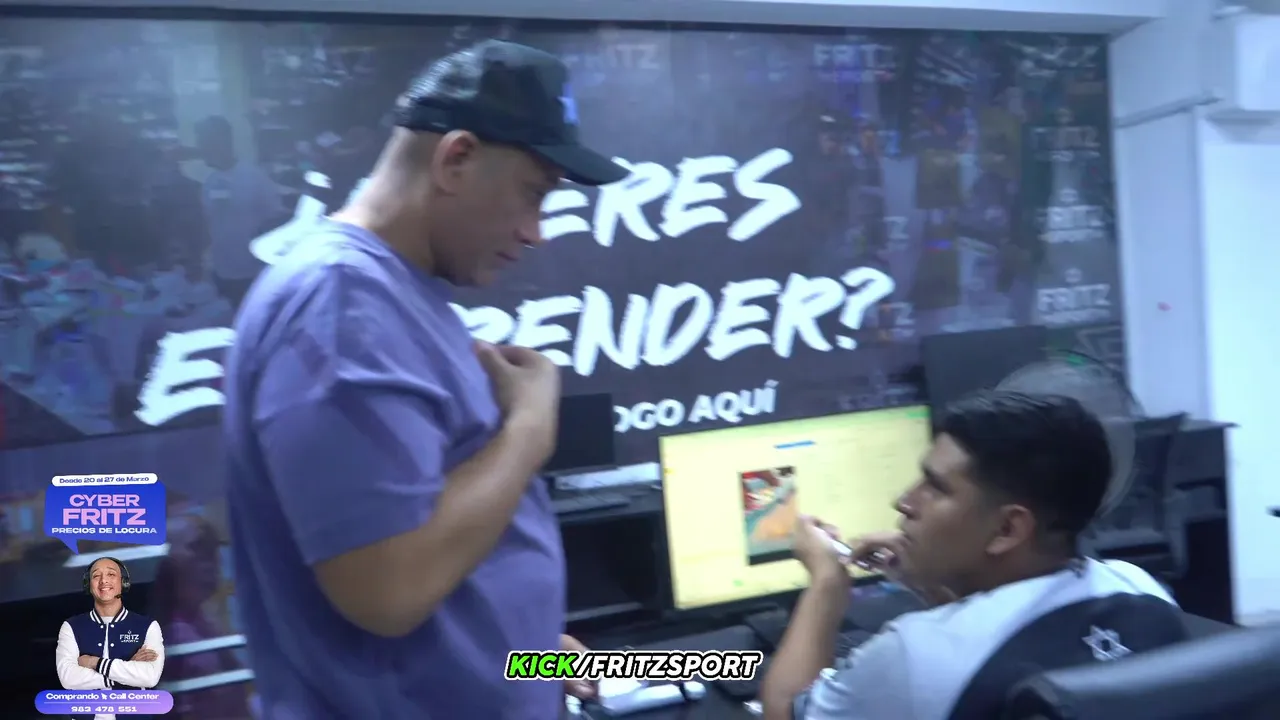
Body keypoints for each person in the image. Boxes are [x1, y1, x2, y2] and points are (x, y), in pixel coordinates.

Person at [221, 40, 627, 719]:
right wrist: (529, 430)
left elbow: (430, 543)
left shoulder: (388, 292)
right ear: (456, 159)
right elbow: (388, 588)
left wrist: (518, 648)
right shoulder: (340, 305)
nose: (536, 232)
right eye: (533, 194)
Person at [760, 391, 1187, 720]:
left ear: (1007, 529)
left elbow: (784, 710)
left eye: (935, 487)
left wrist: (826, 585)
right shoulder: (1140, 589)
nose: (904, 501)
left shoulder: (912, 654)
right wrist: (936, 587)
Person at [55, 556, 166, 720]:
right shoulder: (71, 626)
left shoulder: (148, 626)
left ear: (124, 582)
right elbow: (68, 678)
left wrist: (94, 662)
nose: (103, 581)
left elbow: (150, 677)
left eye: (111, 574)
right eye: (96, 576)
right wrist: (128, 669)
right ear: (88, 585)